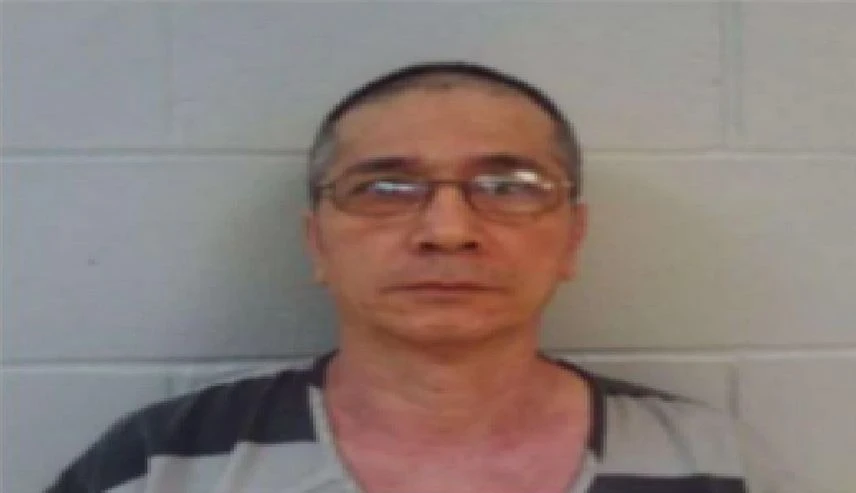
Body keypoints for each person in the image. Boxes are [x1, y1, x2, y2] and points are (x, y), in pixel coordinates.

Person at [47, 62, 800, 493]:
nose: (447, 230)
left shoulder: (708, 461)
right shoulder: (165, 463)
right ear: (317, 243)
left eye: (507, 186)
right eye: (384, 188)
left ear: (572, 239)